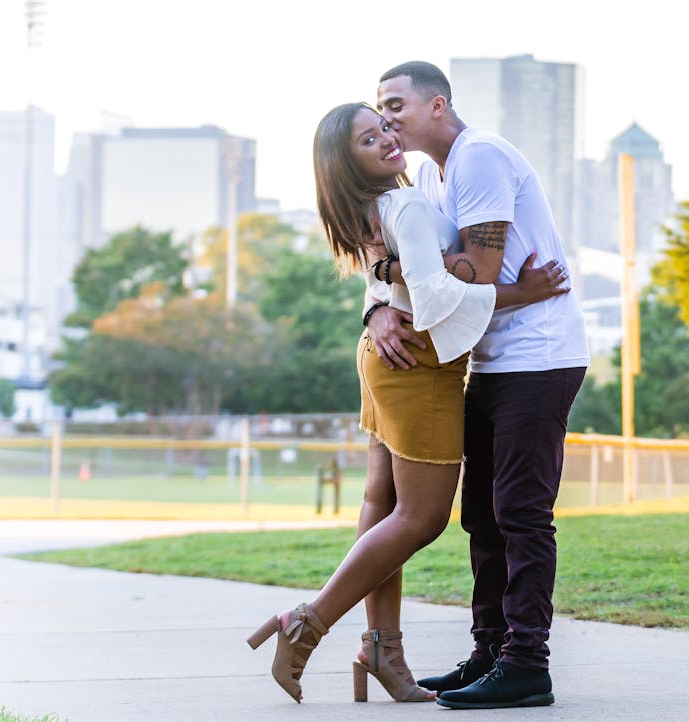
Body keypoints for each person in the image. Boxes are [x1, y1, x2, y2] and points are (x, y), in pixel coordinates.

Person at [246, 102, 568, 705]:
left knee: (382, 502)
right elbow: (434, 296)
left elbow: (392, 277)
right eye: (371, 138)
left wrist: (379, 299)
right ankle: (307, 623)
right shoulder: (409, 204)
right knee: (420, 519)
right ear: (351, 164)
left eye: (386, 126)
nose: (388, 138)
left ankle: (382, 650)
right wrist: (522, 292)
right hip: (416, 365)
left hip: (383, 357)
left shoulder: (389, 202)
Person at [364, 61, 589, 710]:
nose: (387, 119)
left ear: (438, 104)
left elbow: (476, 270)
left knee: (521, 513)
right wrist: (382, 300)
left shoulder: (480, 157)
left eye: (396, 104)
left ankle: (527, 665)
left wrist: (406, 271)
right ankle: (489, 651)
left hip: (538, 357)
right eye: (380, 109)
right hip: (491, 359)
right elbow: (431, 279)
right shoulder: (432, 175)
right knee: (482, 517)